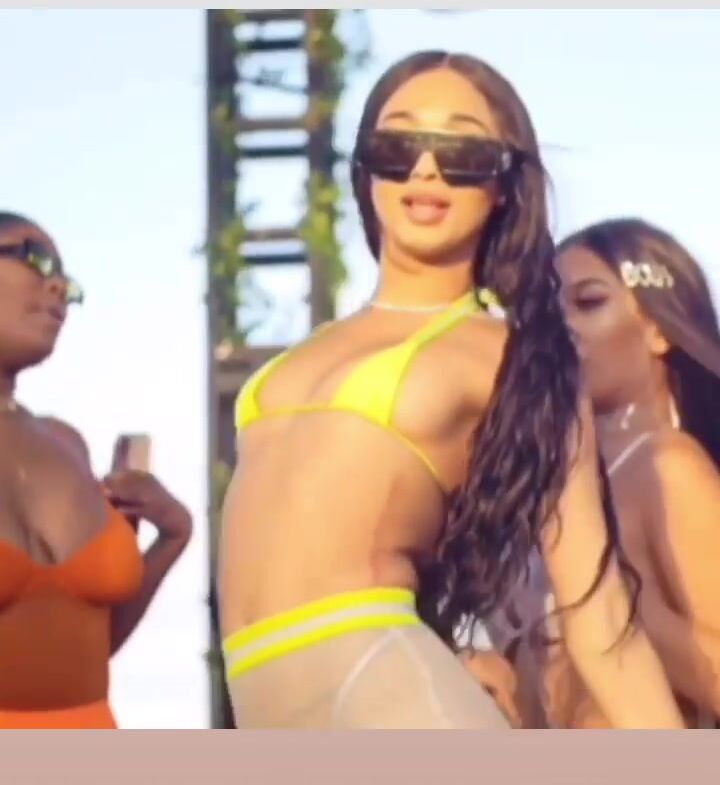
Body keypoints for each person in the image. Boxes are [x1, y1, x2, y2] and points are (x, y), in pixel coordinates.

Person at [218, 51, 683, 729]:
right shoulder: (308, 348)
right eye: (397, 146)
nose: (426, 170)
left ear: (504, 183)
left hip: (390, 695)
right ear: (366, 168)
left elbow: (600, 611)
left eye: (462, 152)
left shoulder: (511, 355)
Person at [482, 218, 720, 728]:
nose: (561, 327)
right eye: (548, 314)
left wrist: (616, 600)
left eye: (588, 303)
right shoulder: (553, 492)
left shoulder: (668, 467)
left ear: (659, 330)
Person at [0, 211, 192, 728]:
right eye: (34, 257)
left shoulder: (67, 444)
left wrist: (172, 537)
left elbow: (82, 648)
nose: (58, 286)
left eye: (66, 278)